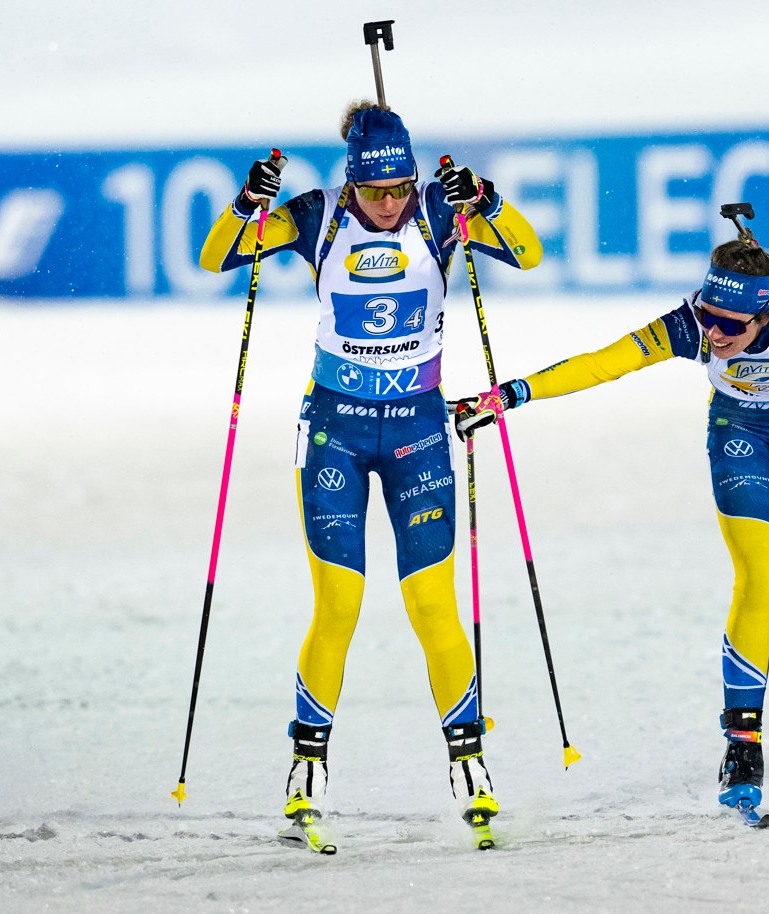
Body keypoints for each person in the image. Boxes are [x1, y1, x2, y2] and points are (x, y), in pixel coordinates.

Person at [454, 232, 769, 817]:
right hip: (742, 431)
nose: (715, 334)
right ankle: (743, 749)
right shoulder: (689, 326)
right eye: (708, 316)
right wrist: (511, 395)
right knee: (759, 583)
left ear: (765, 312)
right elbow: (605, 363)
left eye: (731, 324)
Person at [199, 101, 542, 852]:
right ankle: (307, 769)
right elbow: (217, 257)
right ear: (351, 182)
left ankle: (470, 763)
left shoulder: (440, 213)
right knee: (339, 604)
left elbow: (528, 253)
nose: (389, 205)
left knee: (432, 604)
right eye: (375, 192)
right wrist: (247, 203)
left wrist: (487, 201)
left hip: (418, 431)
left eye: (400, 189)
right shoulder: (318, 215)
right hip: (336, 433)